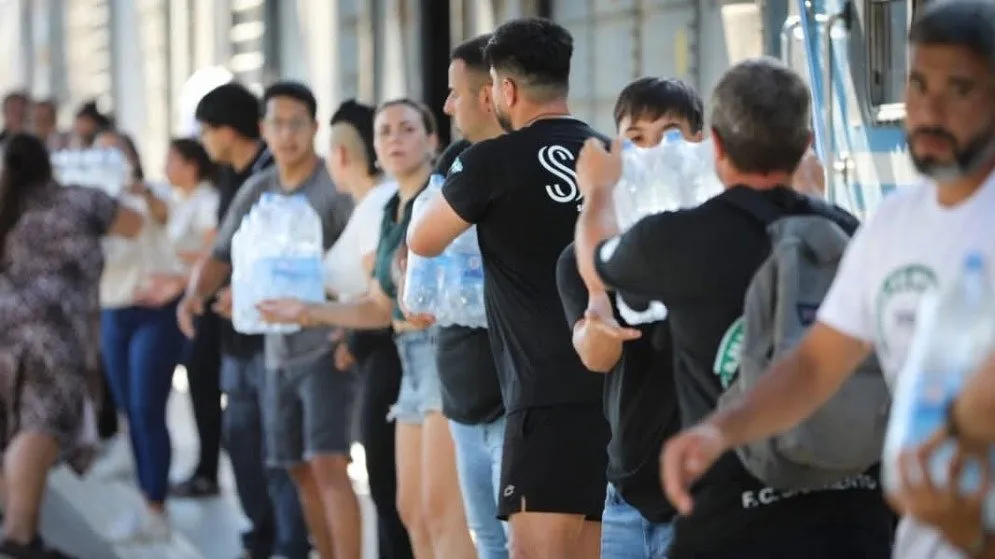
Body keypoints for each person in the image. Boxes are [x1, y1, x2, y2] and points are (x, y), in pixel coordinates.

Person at [660, 3, 995, 557]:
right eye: (917, 83)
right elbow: (817, 364)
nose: (930, 108)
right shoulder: (893, 222)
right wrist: (723, 430)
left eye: (959, 88)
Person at [577, 57, 896, 559]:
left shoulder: (677, 240)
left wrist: (598, 187)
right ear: (806, 144)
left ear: (716, 146)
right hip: (855, 517)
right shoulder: (851, 233)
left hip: (734, 520)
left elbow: (596, 262)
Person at [406, 18, 611, 558]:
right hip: (615, 396)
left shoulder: (491, 161)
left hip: (542, 400)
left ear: (507, 90)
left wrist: (446, 178)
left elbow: (423, 240)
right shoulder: (609, 154)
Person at [256, 98, 476, 559]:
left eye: (408, 129)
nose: (396, 138)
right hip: (408, 359)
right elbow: (379, 308)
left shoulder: (441, 201)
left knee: (443, 514)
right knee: (409, 510)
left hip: (441, 354)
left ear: (432, 140)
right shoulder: (388, 209)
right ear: (373, 148)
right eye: (385, 131)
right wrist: (307, 310)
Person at [187, 81, 359, 559]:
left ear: (315, 127)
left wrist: (351, 330)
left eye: (296, 123)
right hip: (276, 353)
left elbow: (365, 268)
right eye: (277, 124)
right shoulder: (258, 188)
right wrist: (193, 296)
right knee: (297, 469)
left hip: (328, 349)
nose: (286, 135)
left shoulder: (334, 187)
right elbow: (219, 254)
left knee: (328, 466)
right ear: (263, 129)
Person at [558, 76, 704, 559]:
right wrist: (599, 321)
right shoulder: (587, 254)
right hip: (627, 495)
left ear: (700, 144)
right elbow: (595, 358)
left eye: (671, 134)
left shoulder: (721, 240)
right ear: (616, 151)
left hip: (705, 492)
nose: (654, 149)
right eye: (637, 138)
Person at [0, 133, 143, 558]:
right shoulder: (78, 199)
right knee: (39, 426)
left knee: (9, 428)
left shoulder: (8, 207)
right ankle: (20, 535)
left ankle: (15, 524)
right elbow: (134, 224)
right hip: (54, 331)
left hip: (4, 325)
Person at [425, 33, 510, 559]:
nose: (447, 105)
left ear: (489, 95)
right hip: (461, 388)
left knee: (520, 542)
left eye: (455, 92)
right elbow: (417, 259)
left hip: (515, 395)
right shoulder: (453, 161)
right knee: (488, 543)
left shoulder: (526, 161)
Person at [323, 99, 414, 559]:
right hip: (381, 353)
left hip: (392, 357)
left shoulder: (378, 202)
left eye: (407, 129)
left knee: (390, 489)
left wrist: (346, 331)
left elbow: (379, 297)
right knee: (391, 490)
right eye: (386, 131)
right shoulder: (378, 203)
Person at [94, 129, 188, 542]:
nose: (108, 161)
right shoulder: (86, 204)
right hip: (113, 313)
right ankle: (145, 500)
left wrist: (138, 192)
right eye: (100, 155)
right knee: (130, 411)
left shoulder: (153, 195)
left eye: (116, 153)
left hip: (154, 313)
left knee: (149, 409)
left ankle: (157, 506)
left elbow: (161, 216)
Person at [162, 138, 223, 498]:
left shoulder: (207, 201)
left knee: (205, 389)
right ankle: (204, 466)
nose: (165, 168)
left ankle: (208, 470)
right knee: (198, 390)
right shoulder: (183, 201)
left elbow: (212, 255)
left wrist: (181, 278)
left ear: (191, 164)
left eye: (172, 160)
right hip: (187, 302)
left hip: (205, 306)